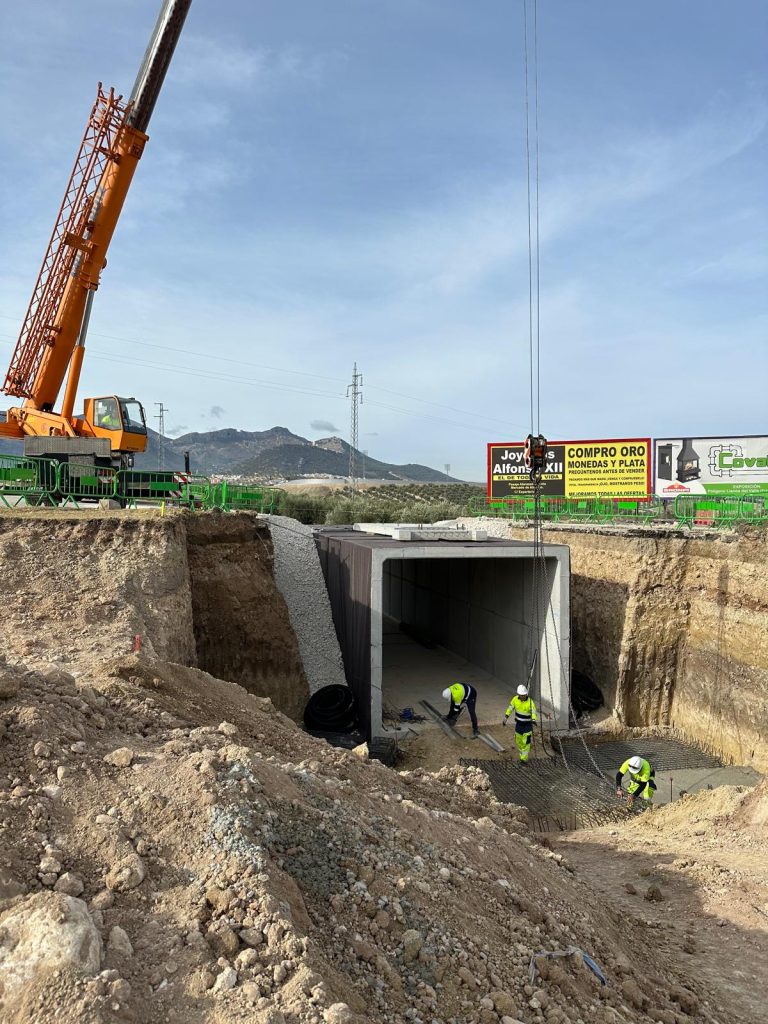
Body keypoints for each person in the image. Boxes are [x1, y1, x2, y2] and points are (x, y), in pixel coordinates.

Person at [503, 684, 537, 763]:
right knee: (518, 741)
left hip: (527, 725)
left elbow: (533, 711)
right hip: (519, 724)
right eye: (521, 695)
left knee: (526, 741)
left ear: (526, 694)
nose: (523, 696)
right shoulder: (515, 699)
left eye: (524, 695)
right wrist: (506, 717)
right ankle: (522, 755)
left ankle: (523, 759)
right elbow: (510, 708)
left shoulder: (530, 702)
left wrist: (534, 719)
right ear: (518, 694)